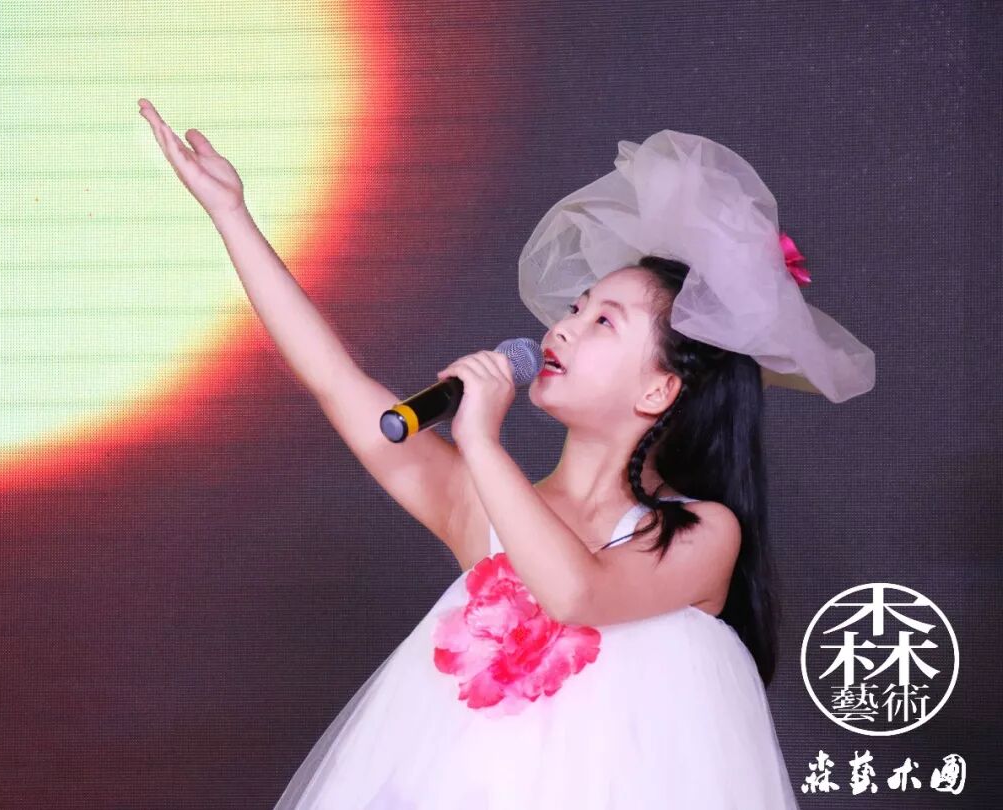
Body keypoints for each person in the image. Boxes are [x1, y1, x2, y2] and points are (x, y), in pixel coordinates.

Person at [139, 100, 873, 807]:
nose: (564, 328)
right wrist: (231, 214)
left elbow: (577, 593)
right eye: (577, 307)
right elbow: (336, 381)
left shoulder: (702, 532)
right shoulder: (481, 505)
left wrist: (480, 440)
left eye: (604, 322)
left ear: (659, 389)